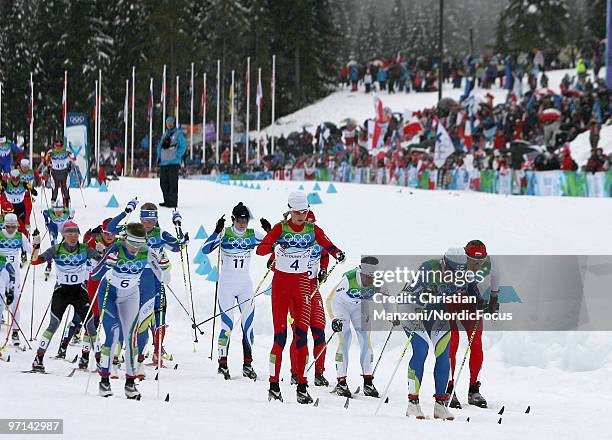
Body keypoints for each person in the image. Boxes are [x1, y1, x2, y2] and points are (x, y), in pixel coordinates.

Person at [256, 191, 345, 404]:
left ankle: (302, 386)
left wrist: (338, 253)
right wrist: (276, 247)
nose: (302, 216)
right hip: (281, 288)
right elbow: (261, 250)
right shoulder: (280, 228)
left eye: (305, 212)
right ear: (290, 211)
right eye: (298, 213)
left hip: (303, 286)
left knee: (301, 336)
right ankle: (273, 384)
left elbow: (328, 245)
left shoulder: (312, 229)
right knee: (280, 337)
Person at [106, 200, 185, 370]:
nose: (148, 224)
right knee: (127, 316)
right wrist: (126, 212)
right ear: (140, 219)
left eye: (152, 221)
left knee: (155, 315)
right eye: (145, 220)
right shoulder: (133, 231)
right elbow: (111, 229)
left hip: (154, 279)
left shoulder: (160, 234)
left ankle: (151, 353)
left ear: (156, 220)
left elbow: (179, 246)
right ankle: (118, 354)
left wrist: (179, 228)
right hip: (133, 277)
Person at [398, 248, 472, 421]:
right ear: (444, 263)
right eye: (452, 271)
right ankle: (413, 403)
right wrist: (422, 295)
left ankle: (440, 405)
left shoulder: (463, 275)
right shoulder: (428, 268)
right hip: (412, 310)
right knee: (421, 350)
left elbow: (469, 295)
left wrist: (480, 303)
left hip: (437, 313)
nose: (455, 276)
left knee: (443, 354)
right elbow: (408, 294)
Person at [201, 202, 270, 380]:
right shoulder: (225, 233)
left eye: (245, 219)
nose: (243, 223)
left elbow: (274, 245)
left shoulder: (252, 234)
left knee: (248, 326)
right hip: (227, 286)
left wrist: (270, 231)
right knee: (227, 326)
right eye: (239, 219)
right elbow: (205, 249)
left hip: (245, 285)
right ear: (233, 219)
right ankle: (222, 364)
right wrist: (216, 231)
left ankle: (248, 364)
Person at [30, 221, 100, 373]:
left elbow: (101, 260)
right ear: (63, 235)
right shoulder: (56, 249)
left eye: (75, 234)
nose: (73, 237)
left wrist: (101, 251)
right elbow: (34, 261)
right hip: (61, 292)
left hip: (80, 292)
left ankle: (101, 362)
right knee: (53, 325)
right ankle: (38, 359)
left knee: (91, 327)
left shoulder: (84, 248)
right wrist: (35, 246)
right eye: (69, 234)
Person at [90, 222, 150, 399]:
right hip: (109, 294)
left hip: (131, 296)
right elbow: (94, 275)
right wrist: (107, 265)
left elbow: (165, 277)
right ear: (125, 239)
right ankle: (104, 381)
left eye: (140, 244)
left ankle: (130, 383)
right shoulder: (116, 248)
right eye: (132, 243)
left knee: (131, 338)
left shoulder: (146, 251)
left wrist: (163, 265)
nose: (135, 248)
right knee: (114, 334)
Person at [447, 240, 499, 409]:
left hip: (470, 303)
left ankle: (474, 389)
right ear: (465, 256)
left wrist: (493, 299)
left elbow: (495, 278)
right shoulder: (456, 260)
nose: (476, 265)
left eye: (480, 262)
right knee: (451, 343)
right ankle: (448, 388)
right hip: (450, 302)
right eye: (472, 261)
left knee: (476, 344)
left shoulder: (491, 264)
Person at [326, 256, 381, 398]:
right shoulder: (349, 279)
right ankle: (341, 381)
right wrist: (336, 319)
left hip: (359, 306)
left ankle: (368, 382)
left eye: (373, 276)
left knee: (365, 340)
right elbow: (332, 299)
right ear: (361, 272)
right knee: (345, 338)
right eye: (369, 276)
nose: (371, 280)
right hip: (340, 306)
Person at [289, 210, 330, 387]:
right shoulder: (293, 237)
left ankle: (319, 373)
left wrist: (323, 269)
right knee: (300, 334)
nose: (310, 227)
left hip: (313, 286)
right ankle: (296, 373)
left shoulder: (318, 236)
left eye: (312, 223)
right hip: (295, 288)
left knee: (319, 329)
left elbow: (326, 254)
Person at [0, 213, 34, 346]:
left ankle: (15, 332)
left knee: (15, 300)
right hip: (1, 271)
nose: (11, 229)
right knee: (1, 297)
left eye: (13, 227)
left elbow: (33, 253)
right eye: (8, 227)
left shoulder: (20, 236)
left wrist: (36, 244)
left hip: (15, 274)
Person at [157, 116, 186, 208]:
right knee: (163, 183)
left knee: (172, 183)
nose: (169, 125)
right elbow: (160, 147)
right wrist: (159, 157)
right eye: (167, 123)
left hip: (173, 163)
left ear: (174, 124)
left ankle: (172, 202)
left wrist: (176, 155)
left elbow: (183, 146)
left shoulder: (178, 134)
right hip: (163, 163)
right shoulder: (165, 134)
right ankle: (167, 200)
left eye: (171, 123)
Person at [43, 200, 75, 280]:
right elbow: (44, 212)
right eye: (56, 211)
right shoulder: (50, 212)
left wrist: (70, 222)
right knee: (53, 245)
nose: (58, 213)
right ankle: (49, 264)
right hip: (54, 227)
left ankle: (68, 263)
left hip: (64, 228)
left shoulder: (68, 211)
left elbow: (72, 214)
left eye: (60, 211)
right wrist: (46, 222)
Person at [0, 169, 38, 236]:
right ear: (11, 178)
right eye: (13, 179)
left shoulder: (23, 184)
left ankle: (25, 238)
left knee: (22, 226)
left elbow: (33, 190)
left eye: (17, 179)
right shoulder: (6, 184)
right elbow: (1, 188)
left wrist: (32, 190)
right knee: (10, 225)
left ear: (19, 178)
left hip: (21, 208)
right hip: (10, 209)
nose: (15, 181)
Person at [44, 139, 74, 207]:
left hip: (64, 172)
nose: (58, 147)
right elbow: (46, 161)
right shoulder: (51, 152)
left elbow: (73, 159)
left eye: (60, 145)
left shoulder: (66, 151)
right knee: (55, 189)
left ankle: (67, 206)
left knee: (65, 189)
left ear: (62, 146)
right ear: (54, 145)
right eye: (57, 145)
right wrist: (48, 160)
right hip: (55, 172)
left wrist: (70, 163)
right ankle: (53, 205)